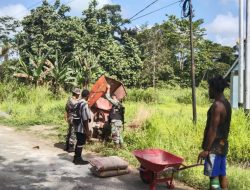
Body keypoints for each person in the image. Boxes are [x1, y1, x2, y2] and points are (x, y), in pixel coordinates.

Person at [198, 76, 232, 190]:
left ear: (214, 89)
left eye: (209, 88)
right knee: (222, 174)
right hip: (222, 144)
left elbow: (213, 129)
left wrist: (207, 150)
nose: (208, 91)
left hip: (214, 147)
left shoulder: (217, 106)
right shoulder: (226, 103)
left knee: (214, 177)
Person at [73, 89, 91, 165]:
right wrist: (87, 131)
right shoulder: (84, 104)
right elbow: (85, 119)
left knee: (78, 142)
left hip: (76, 125)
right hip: (81, 127)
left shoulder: (77, 102)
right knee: (80, 142)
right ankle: (78, 159)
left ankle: (76, 158)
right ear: (87, 96)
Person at [105, 84, 125, 148]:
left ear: (115, 98)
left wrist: (108, 89)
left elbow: (108, 97)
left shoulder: (116, 103)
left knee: (114, 134)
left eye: (113, 96)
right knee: (118, 134)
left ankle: (116, 147)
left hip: (115, 121)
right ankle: (122, 146)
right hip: (119, 122)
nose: (112, 97)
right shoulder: (120, 105)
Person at [64, 88, 80, 152]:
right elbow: (76, 105)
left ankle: (67, 146)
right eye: (78, 94)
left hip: (70, 117)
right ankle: (71, 147)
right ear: (75, 94)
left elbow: (66, 108)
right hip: (73, 117)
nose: (79, 95)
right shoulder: (73, 101)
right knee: (73, 132)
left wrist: (66, 115)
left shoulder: (69, 99)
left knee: (70, 131)